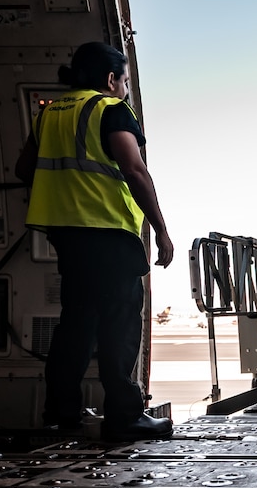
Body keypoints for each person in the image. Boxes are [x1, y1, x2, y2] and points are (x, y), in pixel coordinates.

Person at [14, 42, 174, 441]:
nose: (124, 88)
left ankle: (61, 414)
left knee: (76, 325)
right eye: (123, 81)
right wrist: (161, 230)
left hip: (67, 236)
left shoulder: (50, 114)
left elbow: (23, 168)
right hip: (108, 232)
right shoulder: (109, 110)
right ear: (110, 79)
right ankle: (124, 417)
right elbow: (135, 171)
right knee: (119, 324)